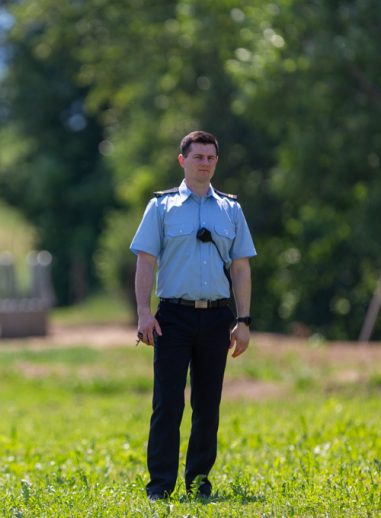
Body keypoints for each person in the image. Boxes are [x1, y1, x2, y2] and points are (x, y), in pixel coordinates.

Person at [130, 131, 256, 501]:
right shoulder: (161, 207)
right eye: (198, 157)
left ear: (217, 162)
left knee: (207, 405)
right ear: (182, 160)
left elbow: (242, 268)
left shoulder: (231, 209)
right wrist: (143, 313)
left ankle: (199, 484)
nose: (205, 163)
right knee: (168, 403)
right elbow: (146, 262)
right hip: (173, 317)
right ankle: (160, 487)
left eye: (211, 157)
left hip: (217, 319)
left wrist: (244, 321)